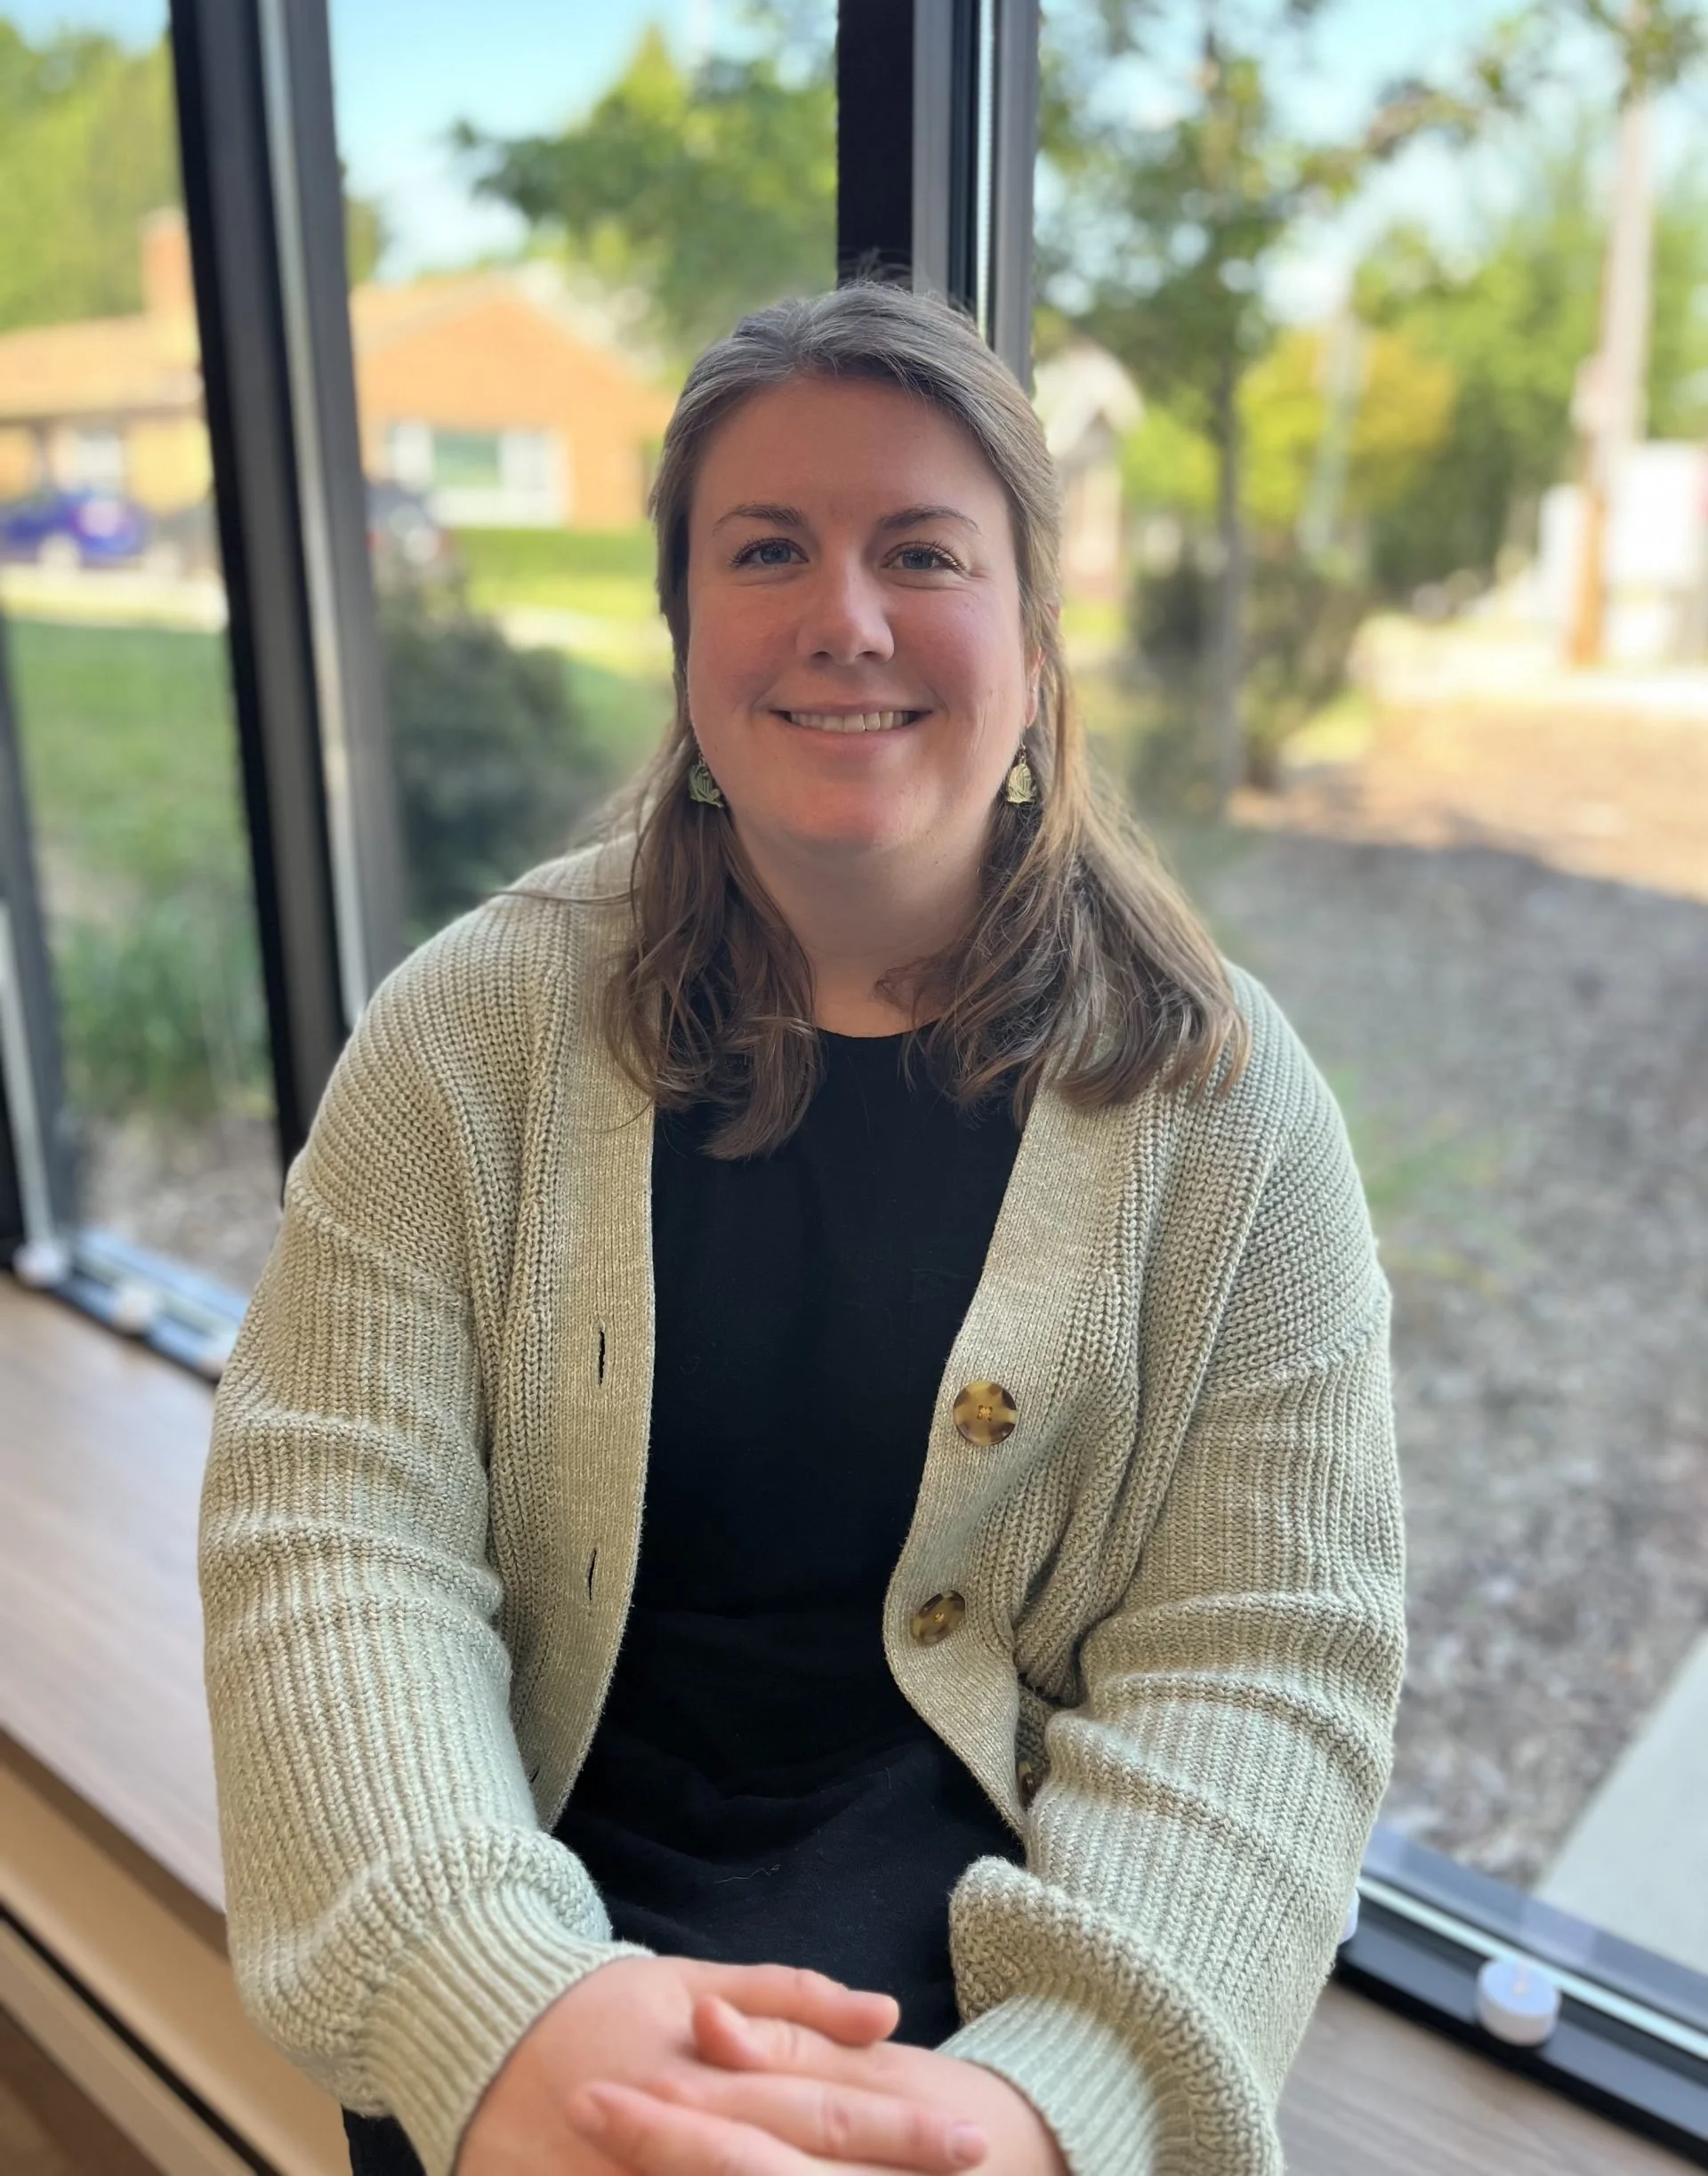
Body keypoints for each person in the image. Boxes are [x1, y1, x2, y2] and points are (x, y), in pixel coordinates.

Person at [199, 283, 1406, 2176]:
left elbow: (1263, 1655)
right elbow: (330, 1536)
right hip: (521, 1959)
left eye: (923, 549)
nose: (845, 614)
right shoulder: (465, 1038)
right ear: (688, 633)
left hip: (985, 2022)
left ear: (1034, 636)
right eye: (770, 548)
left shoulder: (1229, 1115)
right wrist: (496, 2002)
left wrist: (1052, 2093)